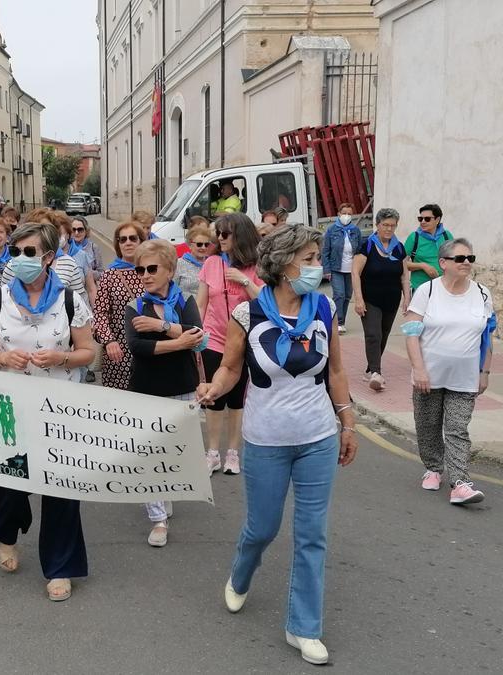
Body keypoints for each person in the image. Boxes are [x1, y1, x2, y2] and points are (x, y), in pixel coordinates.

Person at [196, 224, 358, 666]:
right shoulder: (248, 316)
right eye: (308, 259)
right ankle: (242, 573)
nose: (316, 267)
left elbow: (337, 372)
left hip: (317, 438)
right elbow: (231, 369)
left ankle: (303, 627)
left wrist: (347, 422)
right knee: (263, 527)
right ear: (285, 265)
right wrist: (213, 388)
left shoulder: (323, 308)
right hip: (266, 440)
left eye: (316, 258)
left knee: (312, 536)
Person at [0, 223, 97, 602]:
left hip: (60, 405)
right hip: (9, 405)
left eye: (30, 253)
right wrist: (2, 356)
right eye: (16, 252)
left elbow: (87, 351)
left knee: (61, 488)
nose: (21, 260)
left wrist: (62, 356)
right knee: (10, 485)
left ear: (48, 258)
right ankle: (8, 530)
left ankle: (60, 567)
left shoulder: (71, 301)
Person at [403, 238, 496, 504]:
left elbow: (487, 337)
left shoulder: (482, 293)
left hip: (465, 377)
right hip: (428, 375)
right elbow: (411, 332)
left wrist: (485, 372)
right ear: (443, 263)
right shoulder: (427, 291)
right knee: (427, 425)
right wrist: (418, 368)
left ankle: (460, 483)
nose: (466, 262)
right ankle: (433, 467)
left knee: (457, 429)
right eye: (460, 258)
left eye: (470, 258)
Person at [124, 239, 204, 547]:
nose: (144, 274)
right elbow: (137, 347)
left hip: (182, 385)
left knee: (173, 452)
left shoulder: (185, 299)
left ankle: (164, 495)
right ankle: (157, 518)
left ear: (169, 270)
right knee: (148, 454)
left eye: (152, 268)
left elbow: (199, 336)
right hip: (146, 387)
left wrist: (160, 326)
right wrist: (179, 340)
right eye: (140, 269)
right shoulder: (136, 305)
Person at [196, 213, 263, 475]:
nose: (220, 239)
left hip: (244, 341)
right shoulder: (211, 263)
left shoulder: (256, 267)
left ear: (241, 236)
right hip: (213, 339)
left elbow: (265, 302)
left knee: (237, 399)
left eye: (226, 234)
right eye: (218, 234)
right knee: (214, 397)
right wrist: (197, 336)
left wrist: (244, 281)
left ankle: (233, 453)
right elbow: (201, 303)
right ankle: (212, 452)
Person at [351, 207, 410, 392]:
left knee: (383, 336)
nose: (389, 229)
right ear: (377, 225)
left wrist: (407, 298)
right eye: (385, 225)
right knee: (373, 334)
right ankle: (376, 373)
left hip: (391, 300)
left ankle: (370, 369)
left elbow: (404, 276)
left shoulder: (398, 248)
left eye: (392, 225)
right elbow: (355, 272)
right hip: (370, 298)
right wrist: (358, 299)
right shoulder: (367, 245)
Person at [93, 222, 148, 390]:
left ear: (141, 241)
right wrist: (109, 341)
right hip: (119, 351)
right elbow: (100, 313)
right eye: (122, 239)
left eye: (133, 238)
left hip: (150, 347)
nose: (128, 242)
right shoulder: (109, 276)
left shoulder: (150, 270)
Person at [321, 203, 361, 334]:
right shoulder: (331, 230)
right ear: (338, 214)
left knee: (348, 296)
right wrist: (326, 270)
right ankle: (338, 322)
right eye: (344, 213)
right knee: (339, 295)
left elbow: (360, 251)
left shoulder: (355, 230)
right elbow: (325, 251)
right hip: (336, 268)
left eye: (349, 213)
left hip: (351, 270)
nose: (347, 216)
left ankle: (341, 321)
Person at [404, 204, 454, 293]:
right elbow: (401, 264)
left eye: (427, 219)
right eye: (420, 219)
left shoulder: (447, 236)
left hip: (445, 287)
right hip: (420, 288)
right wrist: (422, 266)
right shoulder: (414, 237)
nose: (423, 222)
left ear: (437, 220)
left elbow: (455, 260)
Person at [175, 225, 215, 299]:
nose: (203, 247)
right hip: (186, 308)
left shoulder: (212, 264)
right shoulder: (179, 264)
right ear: (190, 245)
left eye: (206, 244)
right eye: (199, 244)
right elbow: (172, 290)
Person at [70, 215, 104, 281]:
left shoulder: (93, 247)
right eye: (73, 229)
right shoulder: (67, 248)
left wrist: (86, 272)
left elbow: (101, 274)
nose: (76, 233)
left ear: (86, 231)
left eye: (80, 229)